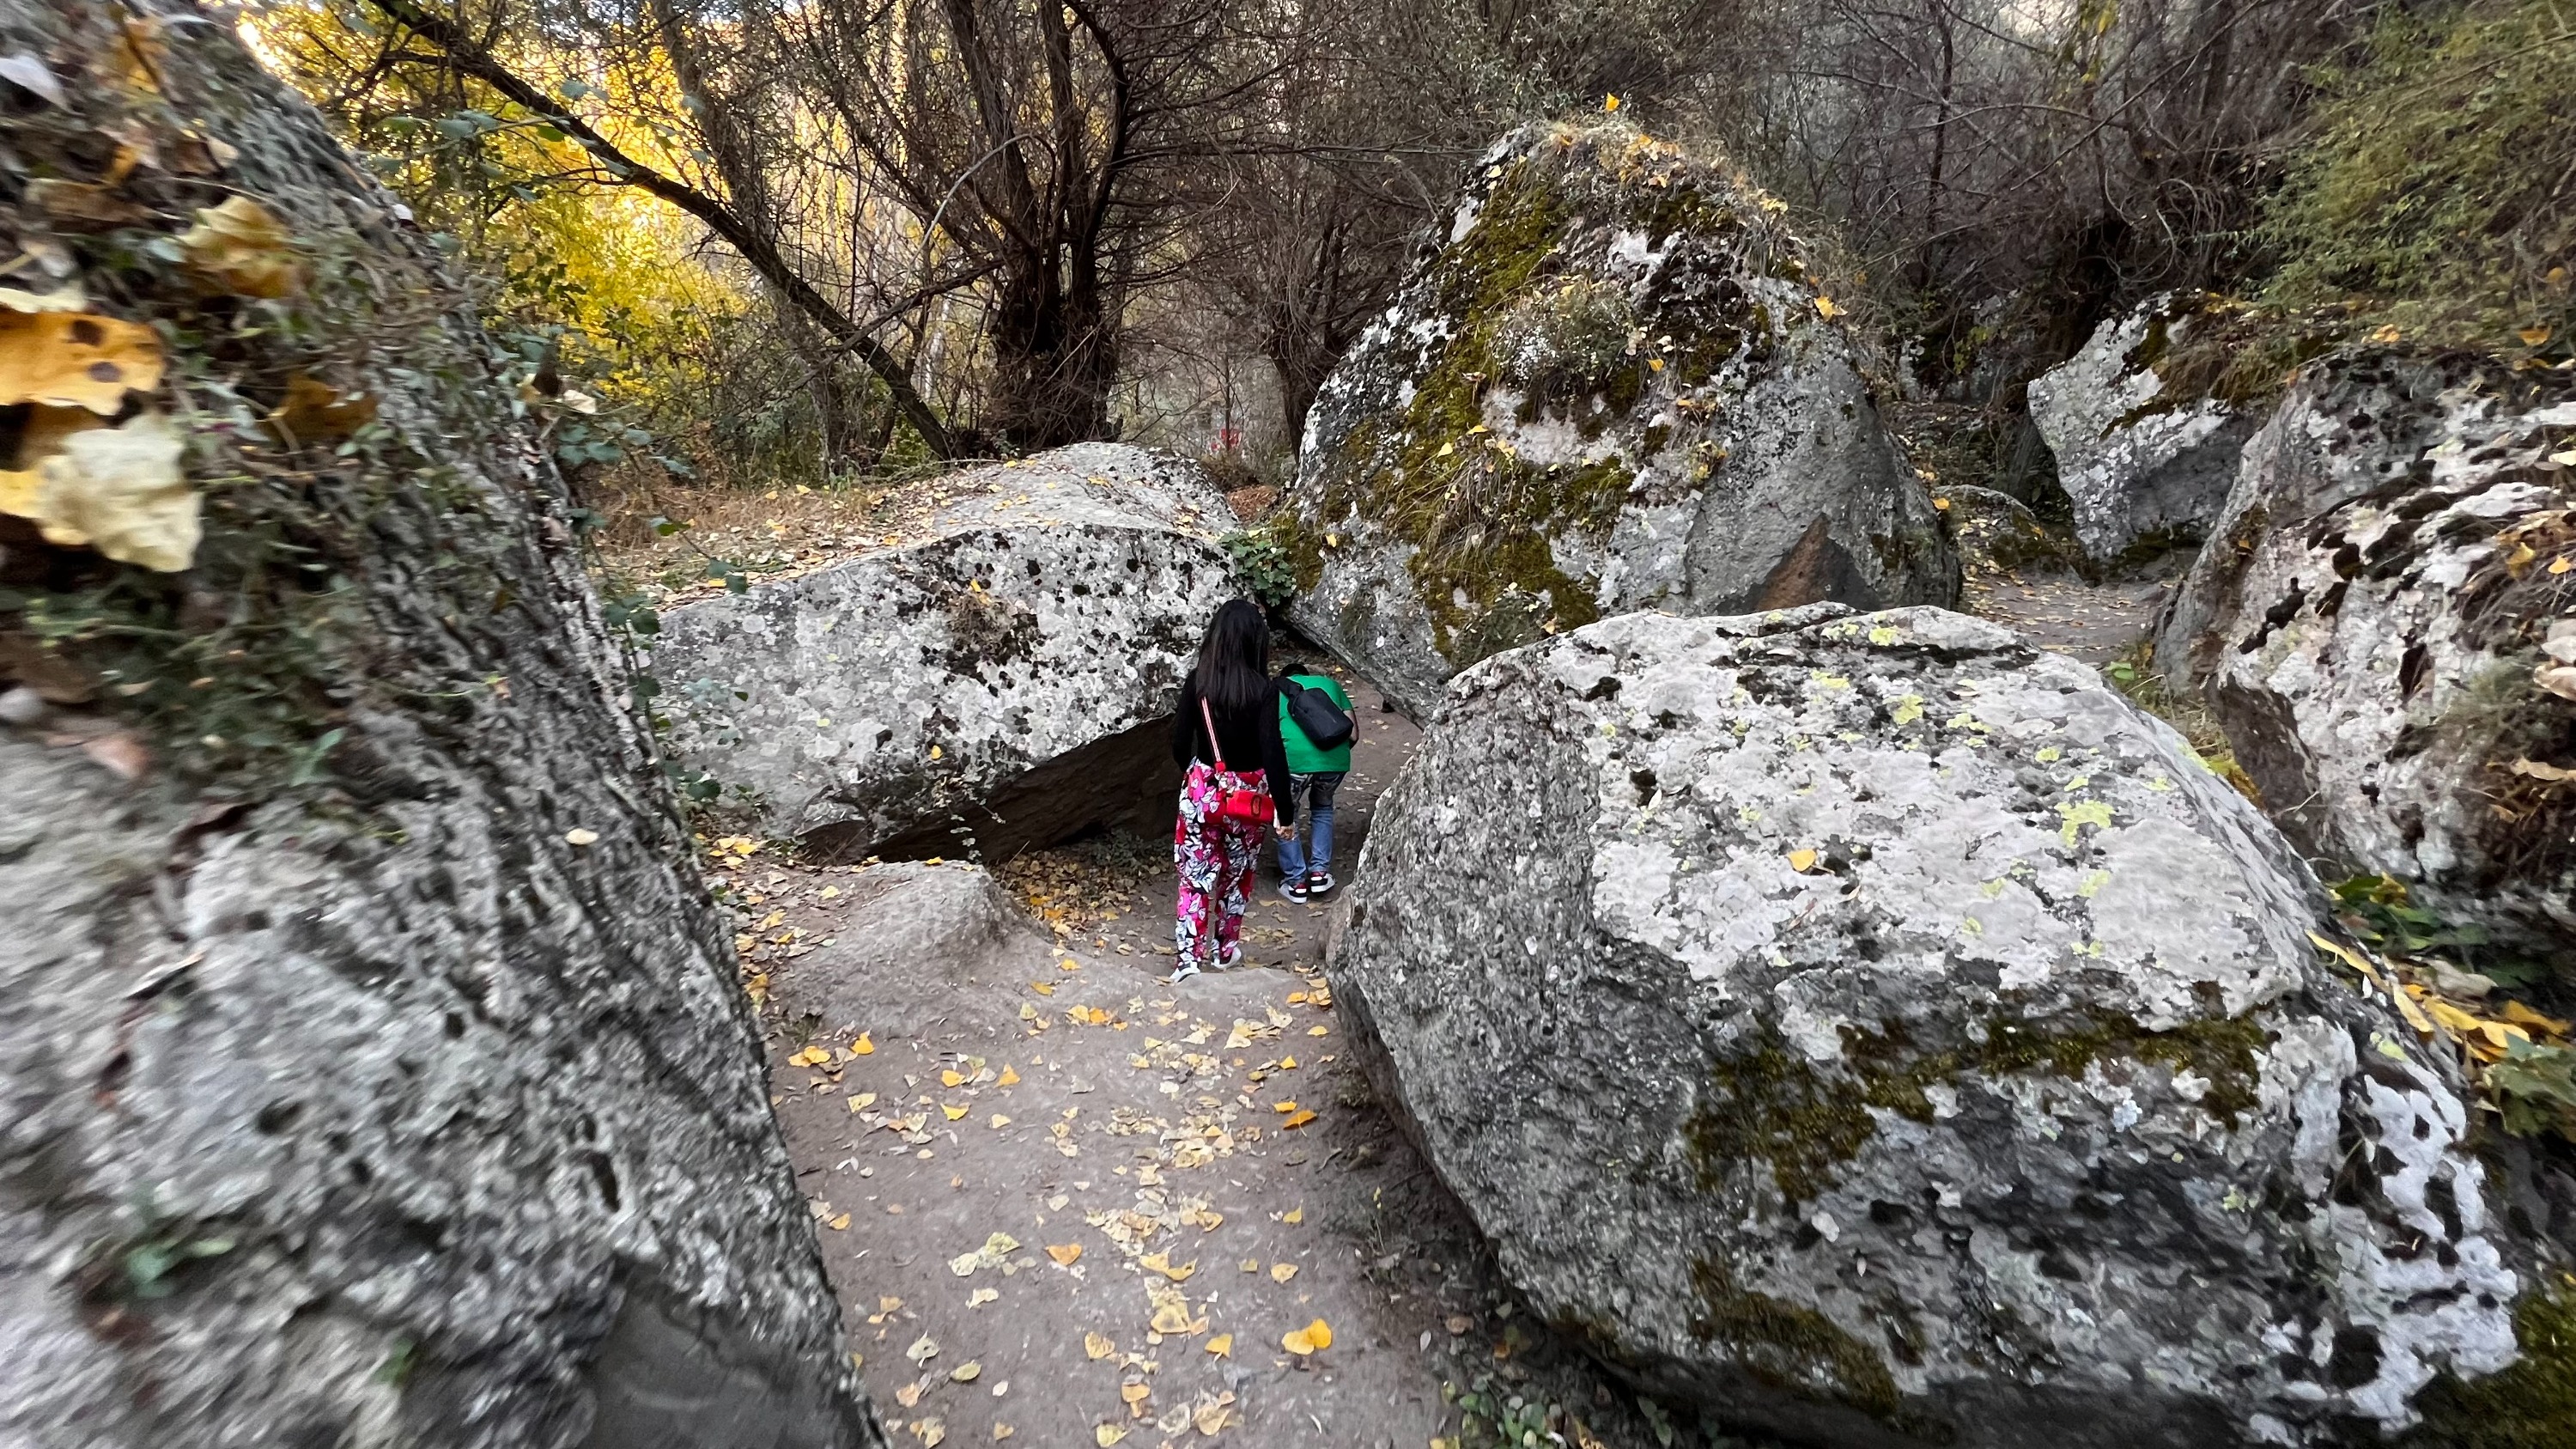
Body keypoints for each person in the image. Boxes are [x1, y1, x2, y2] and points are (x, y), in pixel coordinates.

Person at [1168, 599, 1293, 983]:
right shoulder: (1264, 690)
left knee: (1195, 876)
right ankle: (1225, 949)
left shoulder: (1198, 683)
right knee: (1237, 875)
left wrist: (1196, 776)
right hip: (1249, 797)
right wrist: (1284, 813)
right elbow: (1273, 752)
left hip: (1204, 790)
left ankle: (1189, 960)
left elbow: (1177, 742)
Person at [1272, 665, 1352, 904]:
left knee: (1287, 814)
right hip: (1334, 762)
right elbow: (1354, 733)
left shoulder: (1274, 691)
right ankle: (1319, 874)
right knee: (1322, 808)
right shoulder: (1332, 686)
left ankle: (1295, 882)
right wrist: (1329, 759)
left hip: (1294, 764)